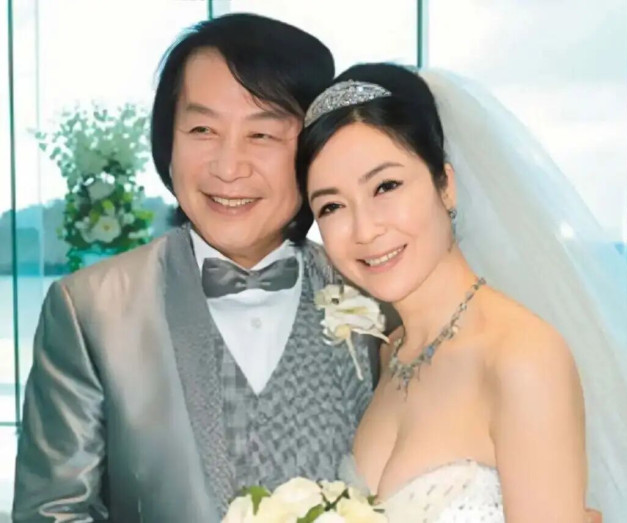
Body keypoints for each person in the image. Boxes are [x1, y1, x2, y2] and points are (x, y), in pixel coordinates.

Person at [12, 14, 375, 522]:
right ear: (168, 141)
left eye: (262, 134)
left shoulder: (374, 300)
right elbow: (52, 511)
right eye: (203, 129)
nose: (228, 168)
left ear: (316, 150)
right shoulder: (90, 309)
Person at [297, 63, 627, 521]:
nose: (365, 229)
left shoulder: (521, 358)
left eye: (386, 186)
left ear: (446, 186)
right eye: (331, 206)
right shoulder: (392, 353)